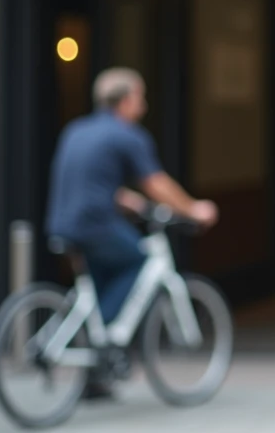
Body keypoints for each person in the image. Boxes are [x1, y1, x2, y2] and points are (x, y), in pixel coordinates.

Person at [46, 68, 218, 328]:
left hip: (62, 222)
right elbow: (156, 184)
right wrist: (193, 209)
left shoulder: (76, 130)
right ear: (126, 100)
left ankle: (96, 346)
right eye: (141, 97)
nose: (144, 105)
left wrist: (128, 201)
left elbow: (90, 180)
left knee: (106, 275)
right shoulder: (128, 135)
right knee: (139, 261)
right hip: (95, 224)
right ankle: (100, 334)